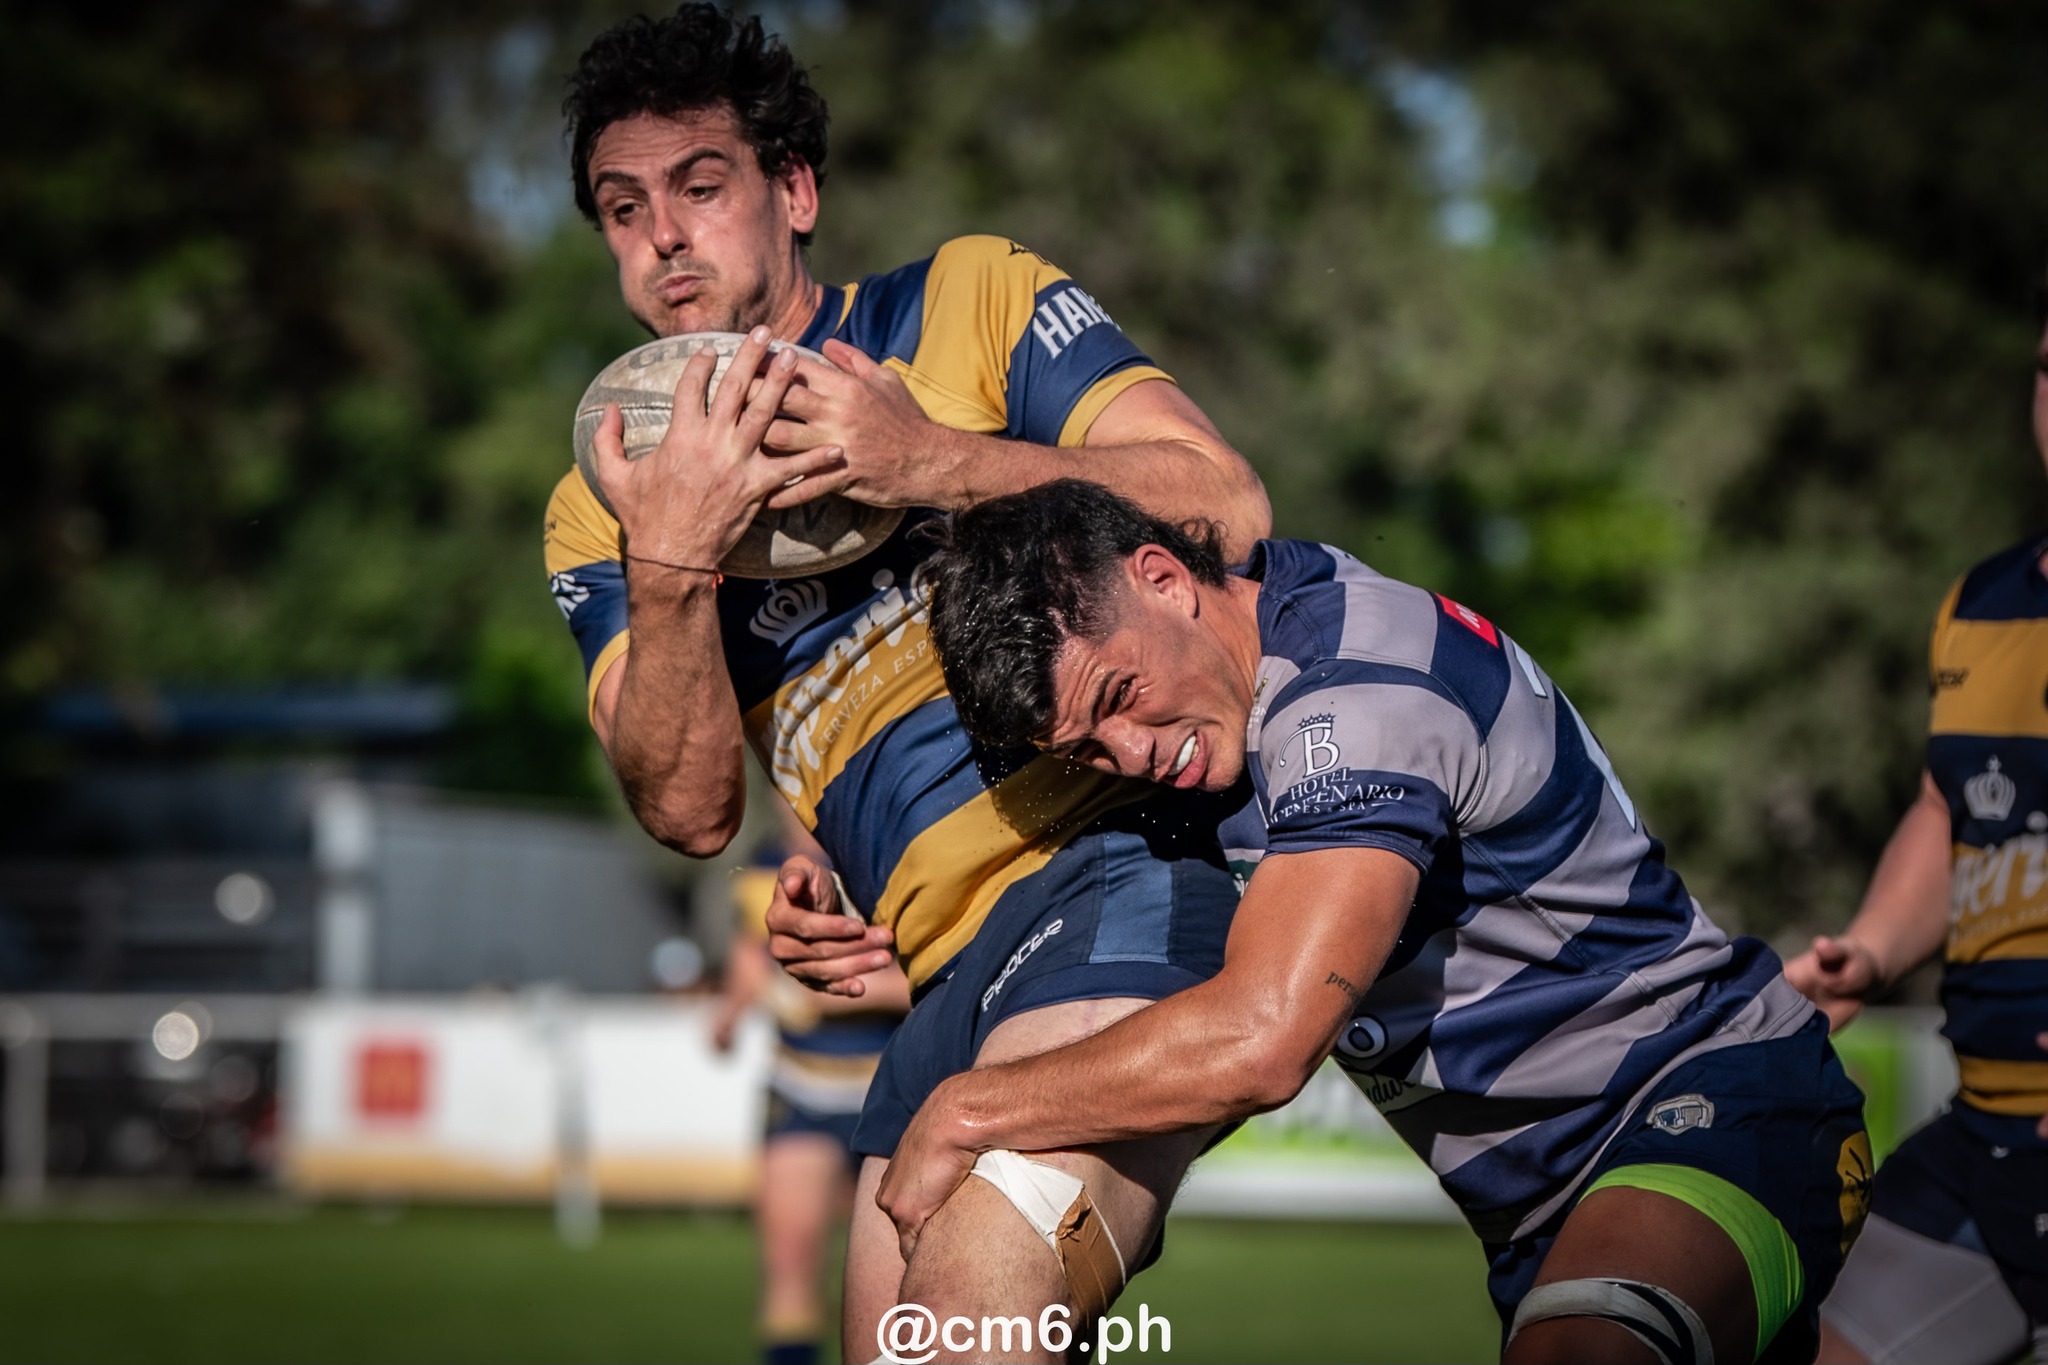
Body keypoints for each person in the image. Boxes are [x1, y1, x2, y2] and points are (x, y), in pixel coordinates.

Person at [539, 6, 1269, 1358]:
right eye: (622, 207)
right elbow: (693, 810)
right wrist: (674, 561)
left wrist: (931, 461)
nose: (663, 236)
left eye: (703, 187)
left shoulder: (965, 304)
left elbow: (1224, 502)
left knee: (980, 1321)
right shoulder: (602, 509)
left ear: (795, 192)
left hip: (1114, 883)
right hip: (930, 989)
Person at [872, 478, 1871, 1365]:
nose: (1132, 754)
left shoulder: (1352, 703)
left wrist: (968, 1107)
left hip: (1708, 1106)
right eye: (1086, 749)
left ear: (1163, 578)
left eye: (1121, 697)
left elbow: (1262, 1042)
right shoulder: (1255, 654)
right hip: (1543, 1214)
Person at [1784, 312, 2048, 1365]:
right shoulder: (1980, 603)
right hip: (1984, 1138)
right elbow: (1950, 810)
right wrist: (1877, 948)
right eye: (2045, 370)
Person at [707, 813, 909, 1365]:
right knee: (791, 1265)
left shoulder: (895, 856)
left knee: (898, 1286)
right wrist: (732, 1010)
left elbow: (936, 980)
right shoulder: (762, 873)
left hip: (892, 1092)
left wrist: (844, 993)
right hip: (800, 1085)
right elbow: (751, 957)